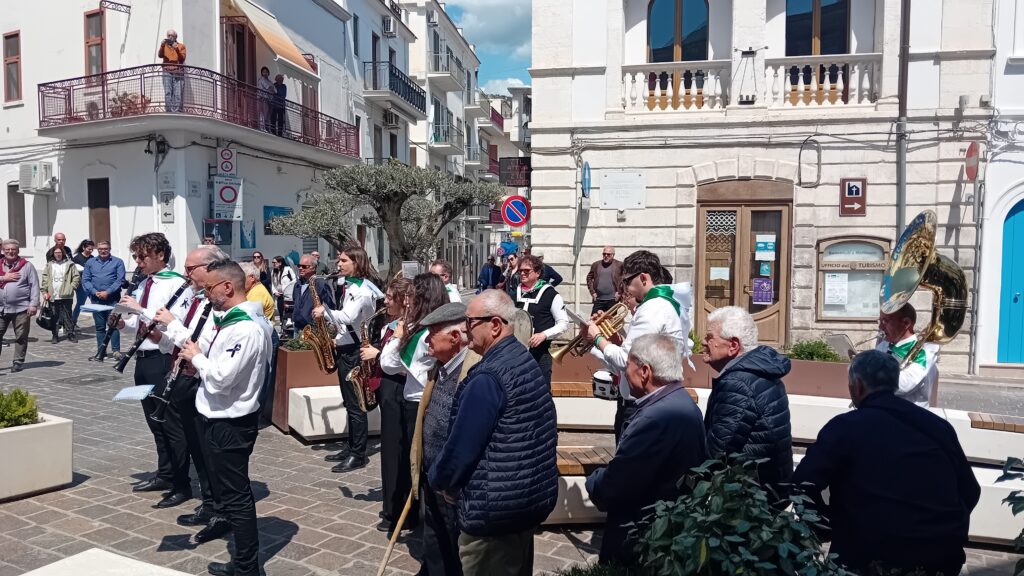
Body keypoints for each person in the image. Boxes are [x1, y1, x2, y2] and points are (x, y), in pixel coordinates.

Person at [792, 350, 980, 575]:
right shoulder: (938, 426)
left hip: (868, 558)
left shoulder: (845, 427)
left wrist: (824, 525)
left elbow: (801, 484)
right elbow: (971, 490)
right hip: (939, 557)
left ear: (857, 386)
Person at [429, 290, 558, 576]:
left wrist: (439, 480)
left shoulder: (488, 378)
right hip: (521, 504)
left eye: (470, 321)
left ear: (495, 325)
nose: (465, 329)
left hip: (493, 514)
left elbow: (461, 449)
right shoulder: (523, 360)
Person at [179, 259, 273, 576]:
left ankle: (247, 567)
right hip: (220, 417)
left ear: (228, 287)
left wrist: (197, 358)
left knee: (236, 497)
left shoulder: (246, 328)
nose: (205, 294)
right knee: (233, 494)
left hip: (231, 423)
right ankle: (244, 562)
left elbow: (221, 378)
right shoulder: (234, 322)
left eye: (209, 288)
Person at [586, 334, 707, 567]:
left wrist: (594, 480)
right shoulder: (681, 402)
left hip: (642, 539)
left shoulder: (656, 418)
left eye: (628, 366)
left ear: (645, 371)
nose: (624, 373)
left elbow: (615, 485)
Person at [152, 245, 233, 545]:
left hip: (206, 382)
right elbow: (190, 339)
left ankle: (221, 511)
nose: (186, 274)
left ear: (211, 269)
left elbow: (205, 344)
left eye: (191, 269)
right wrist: (164, 336)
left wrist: (172, 325)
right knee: (197, 447)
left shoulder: (220, 305)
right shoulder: (200, 300)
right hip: (188, 379)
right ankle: (210, 503)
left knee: (210, 453)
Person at [118, 233, 194, 506]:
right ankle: (165, 473)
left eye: (143, 256)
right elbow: (140, 323)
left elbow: (177, 324)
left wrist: (140, 309)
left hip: (163, 358)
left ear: (160, 255)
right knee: (154, 422)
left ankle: (182, 484)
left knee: (170, 424)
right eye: (135, 257)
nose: (138, 262)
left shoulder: (176, 285)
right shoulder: (143, 283)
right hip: (143, 358)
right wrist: (122, 322)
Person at [585, 250, 690, 443]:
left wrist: (597, 337)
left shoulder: (652, 308)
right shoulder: (663, 302)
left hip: (644, 403)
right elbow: (641, 352)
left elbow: (626, 360)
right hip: (656, 398)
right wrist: (613, 338)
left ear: (643, 278)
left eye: (626, 281)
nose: (624, 287)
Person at [379, 273, 448, 531]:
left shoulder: (421, 334)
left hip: (418, 403)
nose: (406, 302)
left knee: (417, 463)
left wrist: (398, 335)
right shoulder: (430, 327)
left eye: (411, 296)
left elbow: (388, 363)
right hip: (421, 399)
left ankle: (421, 520)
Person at [702, 306, 793, 498]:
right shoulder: (758, 372)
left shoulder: (738, 382)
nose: (703, 342)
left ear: (733, 346)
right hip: (768, 491)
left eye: (709, 337)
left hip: (750, 500)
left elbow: (717, 453)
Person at [313, 245, 381, 472]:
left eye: (343, 260)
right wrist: (337, 338)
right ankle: (351, 446)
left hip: (355, 352)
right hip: (347, 347)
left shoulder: (361, 290)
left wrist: (325, 312)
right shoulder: (351, 286)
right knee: (348, 402)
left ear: (356, 263)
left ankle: (358, 454)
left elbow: (348, 317)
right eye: (339, 260)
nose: (338, 264)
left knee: (355, 405)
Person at [418, 302, 470, 576]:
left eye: (432, 333)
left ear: (454, 337)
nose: (426, 340)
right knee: (434, 538)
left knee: (453, 546)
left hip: (451, 483)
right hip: (431, 474)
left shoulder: (470, 374)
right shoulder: (440, 368)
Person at [358, 277, 412, 533]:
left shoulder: (409, 327)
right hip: (387, 390)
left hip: (399, 390)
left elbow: (405, 364)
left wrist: (377, 354)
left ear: (403, 300)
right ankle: (391, 504)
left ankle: (397, 510)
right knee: (390, 451)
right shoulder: (390, 324)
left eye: (390, 297)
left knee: (395, 451)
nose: (385, 301)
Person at [514, 254, 568, 385]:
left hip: (541, 353)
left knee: (541, 388)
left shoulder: (551, 295)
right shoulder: (514, 293)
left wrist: (544, 335)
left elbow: (563, 324)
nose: (522, 273)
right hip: (516, 353)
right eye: (520, 271)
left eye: (527, 271)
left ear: (538, 273)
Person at [876, 303, 939, 407]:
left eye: (885, 321)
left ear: (906, 323)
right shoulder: (884, 345)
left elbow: (903, 384)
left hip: (910, 414)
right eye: (880, 321)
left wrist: (868, 373)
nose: (880, 326)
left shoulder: (923, 352)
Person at [0, 240, 39, 372]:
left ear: (18, 251)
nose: (10, 252)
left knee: (21, 336)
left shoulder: (27, 266)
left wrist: (33, 304)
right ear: (3, 250)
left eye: (13, 249)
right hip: (1, 308)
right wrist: (3, 278)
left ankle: (18, 361)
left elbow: (34, 285)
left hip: (21, 308)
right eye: (7, 249)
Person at [83, 241, 126, 361]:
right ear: (97, 250)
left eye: (105, 248)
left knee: (114, 324)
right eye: (100, 249)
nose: (103, 251)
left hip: (113, 298)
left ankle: (116, 351)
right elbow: (85, 280)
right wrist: (94, 292)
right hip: (96, 299)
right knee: (100, 326)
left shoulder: (118, 262)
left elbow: (120, 280)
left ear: (110, 249)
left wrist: (108, 292)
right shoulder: (90, 262)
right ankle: (101, 351)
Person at [41, 244, 80, 344]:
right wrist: (44, 292)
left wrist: (71, 287)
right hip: (53, 295)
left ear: (63, 253)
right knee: (54, 316)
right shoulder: (49, 265)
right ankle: (55, 334)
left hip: (66, 294)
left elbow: (76, 277)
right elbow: (45, 279)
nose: (58, 254)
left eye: (60, 252)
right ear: (53, 254)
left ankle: (70, 333)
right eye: (56, 252)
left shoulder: (70, 264)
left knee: (68, 315)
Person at [291, 254, 335, 333]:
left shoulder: (321, 284)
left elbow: (330, 305)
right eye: (299, 266)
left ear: (313, 268)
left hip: (313, 328)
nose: (300, 268)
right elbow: (295, 301)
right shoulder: (297, 284)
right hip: (298, 326)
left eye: (304, 266)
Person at [586, 246, 622, 315]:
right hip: (598, 299)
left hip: (613, 300)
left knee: (611, 320)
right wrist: (592, 292)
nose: (606, 256)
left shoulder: (619, 265)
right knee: (594, 319)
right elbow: (589, 278)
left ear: (613, 255)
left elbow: (624, 280)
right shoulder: (596, 265)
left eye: (608, 254)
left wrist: (620, 292)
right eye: (604, 254)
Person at [157, 29, 186, 113]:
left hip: (178, 72)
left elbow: (182, 58)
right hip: (167, 71)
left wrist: (176, 49)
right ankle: (169, 111)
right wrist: (162, 45)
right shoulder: (165, 46)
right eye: (168, 35)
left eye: (171, 36)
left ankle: (177, 111)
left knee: (178, 93)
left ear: (175, 37)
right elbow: (160, 55)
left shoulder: (181, 46)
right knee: (168, 92)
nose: (170, 37)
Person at [71, 239, 95, 330]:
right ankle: (73, 322)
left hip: (91, 285)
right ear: (83, 248)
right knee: (80, 304)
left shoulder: (92, 258)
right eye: (89, 249)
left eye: (92, 249)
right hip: (81, 286)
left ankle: (99, 321)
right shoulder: (77, 258)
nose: (90, 251)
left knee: (96, 303)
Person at [270, 256, 296, 328]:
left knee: (288, 310)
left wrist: (287, 288)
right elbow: (272, 284)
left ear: (280, 263)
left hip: (288, 295)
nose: (273, 264)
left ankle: (289, 323)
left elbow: (294, 280)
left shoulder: (288, 270)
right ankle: (282, 326)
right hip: (279, 295)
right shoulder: (273, 272)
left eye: (274, 262)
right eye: (272, 262)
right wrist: (275, 292)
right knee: (280, 310)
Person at [257, 66, 275, 132]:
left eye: (266, 72)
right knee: (264, 114)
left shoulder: (270, 81)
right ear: (262, 73)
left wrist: (270, 89)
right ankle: (263, 128)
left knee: (268, 115)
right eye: (264, 72)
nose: (265, 73)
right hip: (263, 99)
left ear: (268, 73)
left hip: (269, 100)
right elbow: (269, 88)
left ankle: (267, 128)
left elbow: (274, 90)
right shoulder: (261, 80)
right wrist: (270, 89)